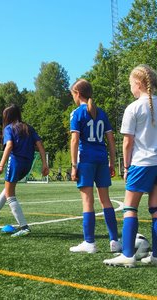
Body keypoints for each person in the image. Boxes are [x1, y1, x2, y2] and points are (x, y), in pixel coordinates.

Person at [104, 64, 157, 267]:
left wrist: (126, 168)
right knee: (155, 209)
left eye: (130, 84)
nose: (130, 88)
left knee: (130, 208)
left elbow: (127, 143)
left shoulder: (133, 108)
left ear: (138, 83)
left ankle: (127, 255)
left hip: (141, 163)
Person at [68, 79, 120, 254]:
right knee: (106, 200)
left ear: (78, 94)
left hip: (86, 160)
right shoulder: (101, 113)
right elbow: (111, 141)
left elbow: (75, 140)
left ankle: (89, 242)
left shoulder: (76, 113)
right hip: (101, 159)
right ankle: (114, 241)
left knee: (87, 201)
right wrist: (112, 162)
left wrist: (74, 165)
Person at [0, 104, 49, 237]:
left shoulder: (9, 128)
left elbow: (9, 146)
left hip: (15, 162)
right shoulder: (29, 128)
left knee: (10, 195)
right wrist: (45, 164)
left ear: (7, 117)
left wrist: (0, 165)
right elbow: (40, 145)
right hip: (27, 164)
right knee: (9, 187)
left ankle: (24, 227)